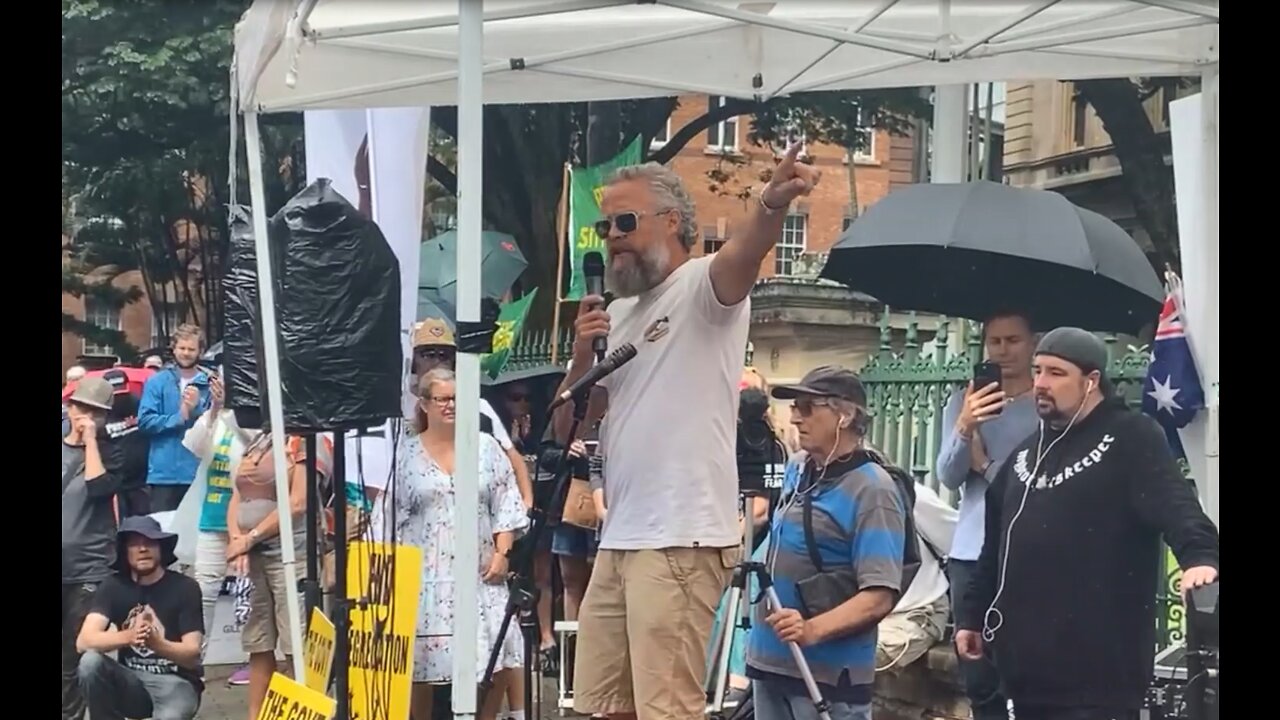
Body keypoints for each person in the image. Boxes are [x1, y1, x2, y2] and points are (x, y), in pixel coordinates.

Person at [557, 143, 820, 719]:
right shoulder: (615, 314)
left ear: (671, 221)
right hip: (621, 536)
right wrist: (581, 355)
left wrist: (772, 204)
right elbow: (565, 423)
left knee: (667, 709)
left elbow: (745, 254)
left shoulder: (704, 287)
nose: (612, 237)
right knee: (605, 706)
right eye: (605, 226)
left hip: (679, 536)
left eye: (625, 222)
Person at [955, 328, 1220, 720]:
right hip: (1025, 674)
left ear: (1091, 380)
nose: (1041, 383)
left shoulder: (1132, 437)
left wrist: (1199, 557)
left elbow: (1176, 505)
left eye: (1056, 373)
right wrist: (973, 617)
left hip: (1098, 678)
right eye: (1038, 370)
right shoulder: (1026, 454)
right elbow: (995, 546)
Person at [745, 366, 905, 720]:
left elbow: (879, 594)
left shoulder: (873, 489)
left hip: (828, 677)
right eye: (794, 407)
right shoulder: (798, 468)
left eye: (807, 407)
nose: (795, 417)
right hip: (771, 662)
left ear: (844, 415)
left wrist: (811, 629)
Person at [393, 369, 530, 720]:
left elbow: (506, 503)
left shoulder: (485, 447)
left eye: (457, 398)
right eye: (442, 399)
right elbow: (390, 517)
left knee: (493, 661)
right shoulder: (405, 454)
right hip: (425, 579)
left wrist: (503, 553)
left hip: (481, 573)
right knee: (419, 670)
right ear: (424, 404)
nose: (451, 405)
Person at [934, 311, 1038, 718]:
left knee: (1026, 663)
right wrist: (964, 426)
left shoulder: (1043, 406)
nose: (1003, 350)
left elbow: (1035, 481)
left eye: (1013, 340)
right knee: (977, 670)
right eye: (994, 342)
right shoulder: (963, 403)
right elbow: (948, 473)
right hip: (972, 548)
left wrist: (989, 466)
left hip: (1026, 545)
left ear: (1032, 344)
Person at [227, 432, 331, 720]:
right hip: (253, 557)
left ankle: (306, 712)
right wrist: (237, 539)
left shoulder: (306, 440)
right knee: (258, 642)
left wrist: (251, 537)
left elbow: (299, 502)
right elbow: (238, 495)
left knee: (296, 643)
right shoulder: (259, 439)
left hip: (293, 555)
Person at [75, 515, 204, 720]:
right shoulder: (113, 585)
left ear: (161, 548)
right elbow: (83, 642)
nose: (142, 549)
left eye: (149, 542)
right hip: (133, 682)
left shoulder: (185, 587)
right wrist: (129, 636)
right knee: (90, 663)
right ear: (124, 553)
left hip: (177, 683)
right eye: (134, 544)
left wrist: (157, 643)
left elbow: (192, 655)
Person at [180, 370, 259, 688]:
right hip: (211, 516)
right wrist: (214, 409)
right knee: (203, 591)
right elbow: (195, 445)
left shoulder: (253, 417)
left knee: (250, 594)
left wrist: (233, 411)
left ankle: (254, 660)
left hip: (246, 519)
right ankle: (194, 660)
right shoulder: (213, 416)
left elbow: (257, 445)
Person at [62, 376, 127, 720]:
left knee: (76, 655)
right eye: (80, 407)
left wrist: (90, 442)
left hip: (87, 567)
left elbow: (100, 488)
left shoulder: (113, 450)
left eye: (95, 412)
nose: (85, 415)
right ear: (69, 406)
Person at [138, 324, 212, 512]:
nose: (186, 353)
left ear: (200, 351)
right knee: (162, 532)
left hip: (197, 471)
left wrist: (197, 410)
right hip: (164, 472)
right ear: (174, 348)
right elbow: (145, 421)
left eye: (191, 349)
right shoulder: (157, 381)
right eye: (182, 348)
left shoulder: (210, 383)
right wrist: (181, 415)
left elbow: (215, 426)